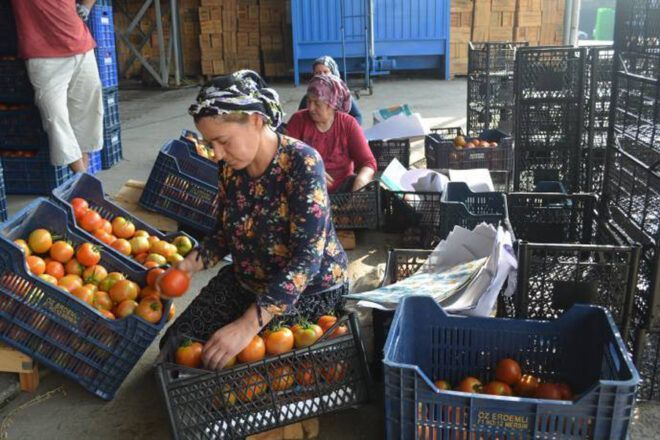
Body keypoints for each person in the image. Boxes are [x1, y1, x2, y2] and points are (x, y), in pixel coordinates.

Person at [160, 71, 348, 370]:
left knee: (250, 368)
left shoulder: (302, 163)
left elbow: (306, 261)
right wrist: (187, 266)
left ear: (256, 121)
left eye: (223, 141)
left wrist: (248, 324)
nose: (217, 154)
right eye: (210, 144)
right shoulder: (230, 167)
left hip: (305, 291)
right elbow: (225, 233)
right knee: (177, 348)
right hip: (248, 282)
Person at [10, 0, 103, 172]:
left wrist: (86, 7)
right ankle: (82, 177)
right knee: (55, 117)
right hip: (43, 56)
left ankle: (84, 180)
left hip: (81, 47)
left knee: (87, 114)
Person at [287, 75, 377, 193]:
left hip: (343, 191)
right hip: (307, 190)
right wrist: (310, 170)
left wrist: (361, 180)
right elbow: (285, 158)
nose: (311, 108)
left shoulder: (348, 124)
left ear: (333, 104)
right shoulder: (298, 121)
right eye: (309, 101)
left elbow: (368, 162)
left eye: (317, 103)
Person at [299, 56, 363, 125]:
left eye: (325, 72)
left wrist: (349, 129)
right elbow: (299, 119)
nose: (322, 76)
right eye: (317, 73)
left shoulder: (343, 96)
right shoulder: (309, 97)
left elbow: (357, 116)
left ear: (333, 73)